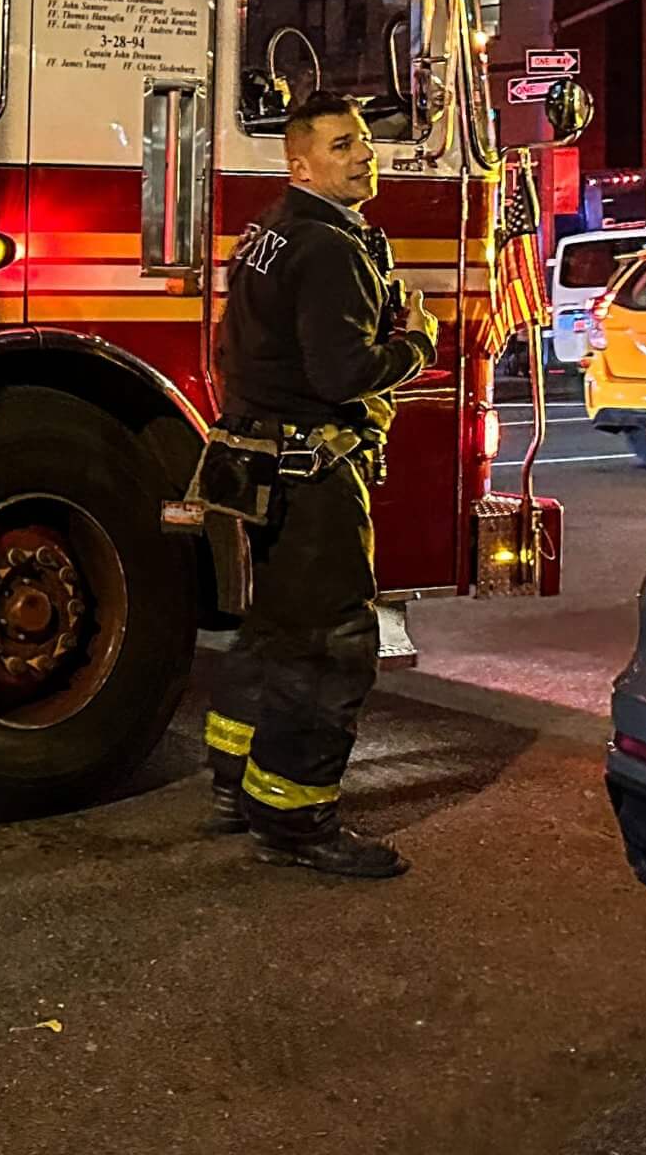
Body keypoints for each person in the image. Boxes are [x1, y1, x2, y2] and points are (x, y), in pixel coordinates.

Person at [202, 89, 437, 878]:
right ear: (300, 161)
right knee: (332, 646)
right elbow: (344, 372)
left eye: (364, 142)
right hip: (313, 476)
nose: (364, 155)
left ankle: (236, 787)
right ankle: (298, 823)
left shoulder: (267, 232)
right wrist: (418, 345)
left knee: (270, 632)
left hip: (257, 467)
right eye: (342, 145)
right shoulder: (329, 247)